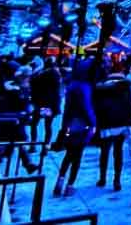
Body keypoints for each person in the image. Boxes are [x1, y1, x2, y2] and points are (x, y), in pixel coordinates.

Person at [54, 59, 97, 198]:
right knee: (77, 156)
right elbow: (87, 108)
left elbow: (67, 108)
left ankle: (60, 180)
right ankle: (70, 185)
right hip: (82, 125)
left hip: (70, 124)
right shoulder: (84, 88)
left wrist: (64, 125)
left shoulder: (71, 87)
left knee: (68, 155)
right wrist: (93, 122)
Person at [93, 63, 131, 191]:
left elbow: (96, 106)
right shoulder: (126, 86)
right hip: (122, 123)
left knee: (104, 152)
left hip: (106, 123)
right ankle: (117, 180)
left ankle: (102, 178)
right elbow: (130, 104)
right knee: (118, 152)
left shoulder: (102, 86)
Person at [30, 57, 61, 145]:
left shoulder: (42, 74)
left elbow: (33, 82)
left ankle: (33, 144)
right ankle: (46, 146)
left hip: (41, 102)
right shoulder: (56, 73)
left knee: (34, 123)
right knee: (48, 125)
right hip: (50, 104)